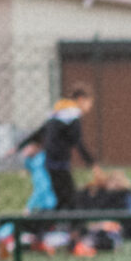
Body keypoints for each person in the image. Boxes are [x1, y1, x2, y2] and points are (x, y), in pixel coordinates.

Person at [17, 86, 95, 216]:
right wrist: (91, 163)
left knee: (61, 198)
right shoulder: (72, 116)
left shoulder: (59, 113)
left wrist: (20, 146)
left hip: (51, 162)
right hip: (60, 163)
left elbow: (42, 130)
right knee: (70, 199)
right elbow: (78, 142)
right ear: (81, 99)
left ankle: (58, 224)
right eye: (89, 102)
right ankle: (74, 230)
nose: (89, 107)